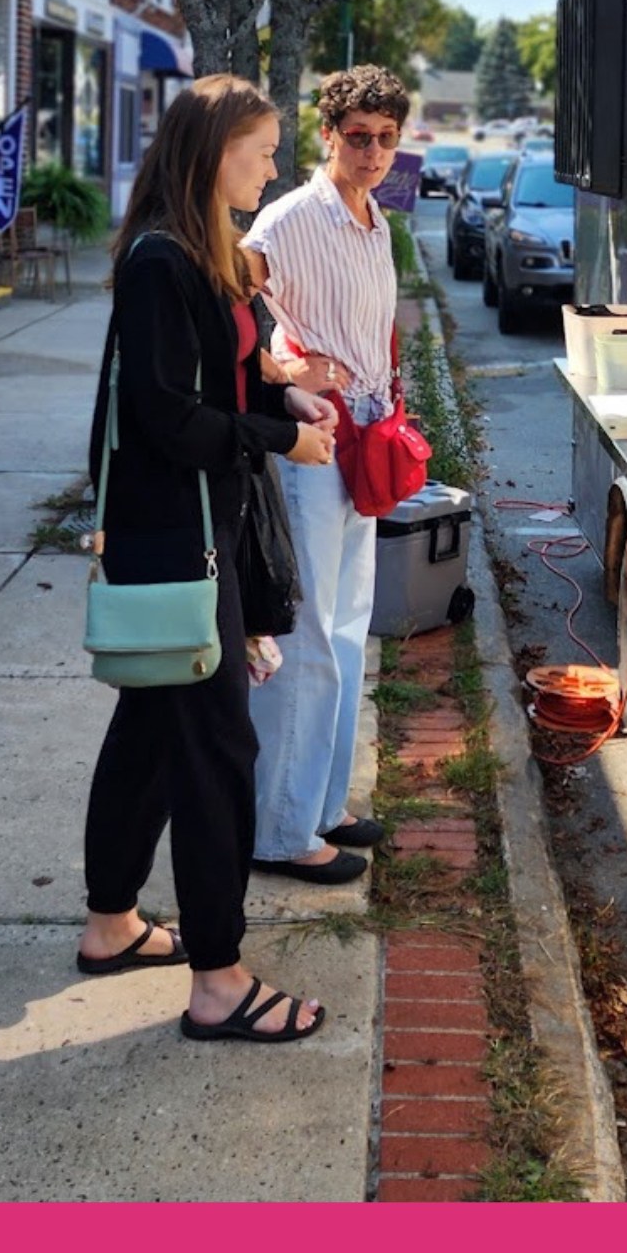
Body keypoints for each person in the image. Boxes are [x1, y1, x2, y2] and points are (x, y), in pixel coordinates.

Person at [76, 74, 342, 1043]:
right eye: (263, 149)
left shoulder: (205, 250)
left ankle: (112, 921)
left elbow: (226, 376)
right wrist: (276, 440)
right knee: (219, 748)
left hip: (192, 530)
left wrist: (287, 403)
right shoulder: (161, 259)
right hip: (177, 538)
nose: (276, 166)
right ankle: (219, 979)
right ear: (213, 150)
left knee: (152, 722)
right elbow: (166, 416)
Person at [241, 64, 410, 884]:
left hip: (367, 444)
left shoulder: (374, 218)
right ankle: (278, 830)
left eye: (385, 137)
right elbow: (233, 305)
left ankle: (322, 805)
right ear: (329, 134)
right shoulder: (291, 217)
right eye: (357, 136)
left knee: (346, 631)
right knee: (304, 637)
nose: (373, 150)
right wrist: (281, 368)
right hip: (314, 448)